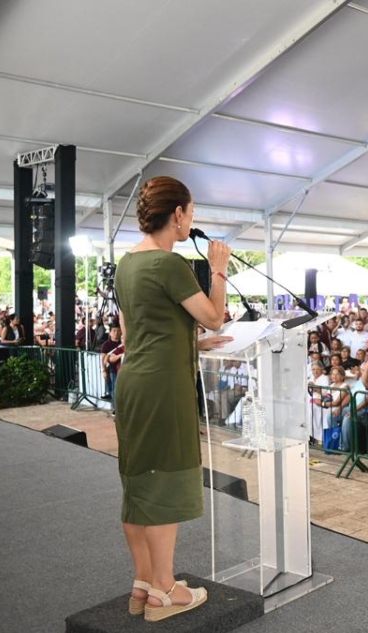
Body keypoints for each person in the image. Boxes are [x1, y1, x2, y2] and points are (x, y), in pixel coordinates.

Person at [113, 176, 233, 621]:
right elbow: (216, 317)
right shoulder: (169, 264)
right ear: (178, 214)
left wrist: (190, 343)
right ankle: (164, 592)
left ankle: (144, 582)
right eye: (192, 212)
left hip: (134, 384)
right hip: (164, 388)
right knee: (164, 482)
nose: (193, 220)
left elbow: (133, 334)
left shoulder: (127, 263)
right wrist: (218, 268)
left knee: (140, 480)